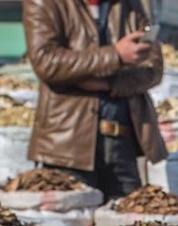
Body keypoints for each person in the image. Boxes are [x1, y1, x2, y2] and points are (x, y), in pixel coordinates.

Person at [23, 0, 165, 200]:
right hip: (67, 144)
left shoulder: (130, 5)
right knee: (73, 223)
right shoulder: (45, 3)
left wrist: (109, 83)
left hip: (121, 143)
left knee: (127, 222)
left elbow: (153, 68)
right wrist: (115, 55)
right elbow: (46, 61)